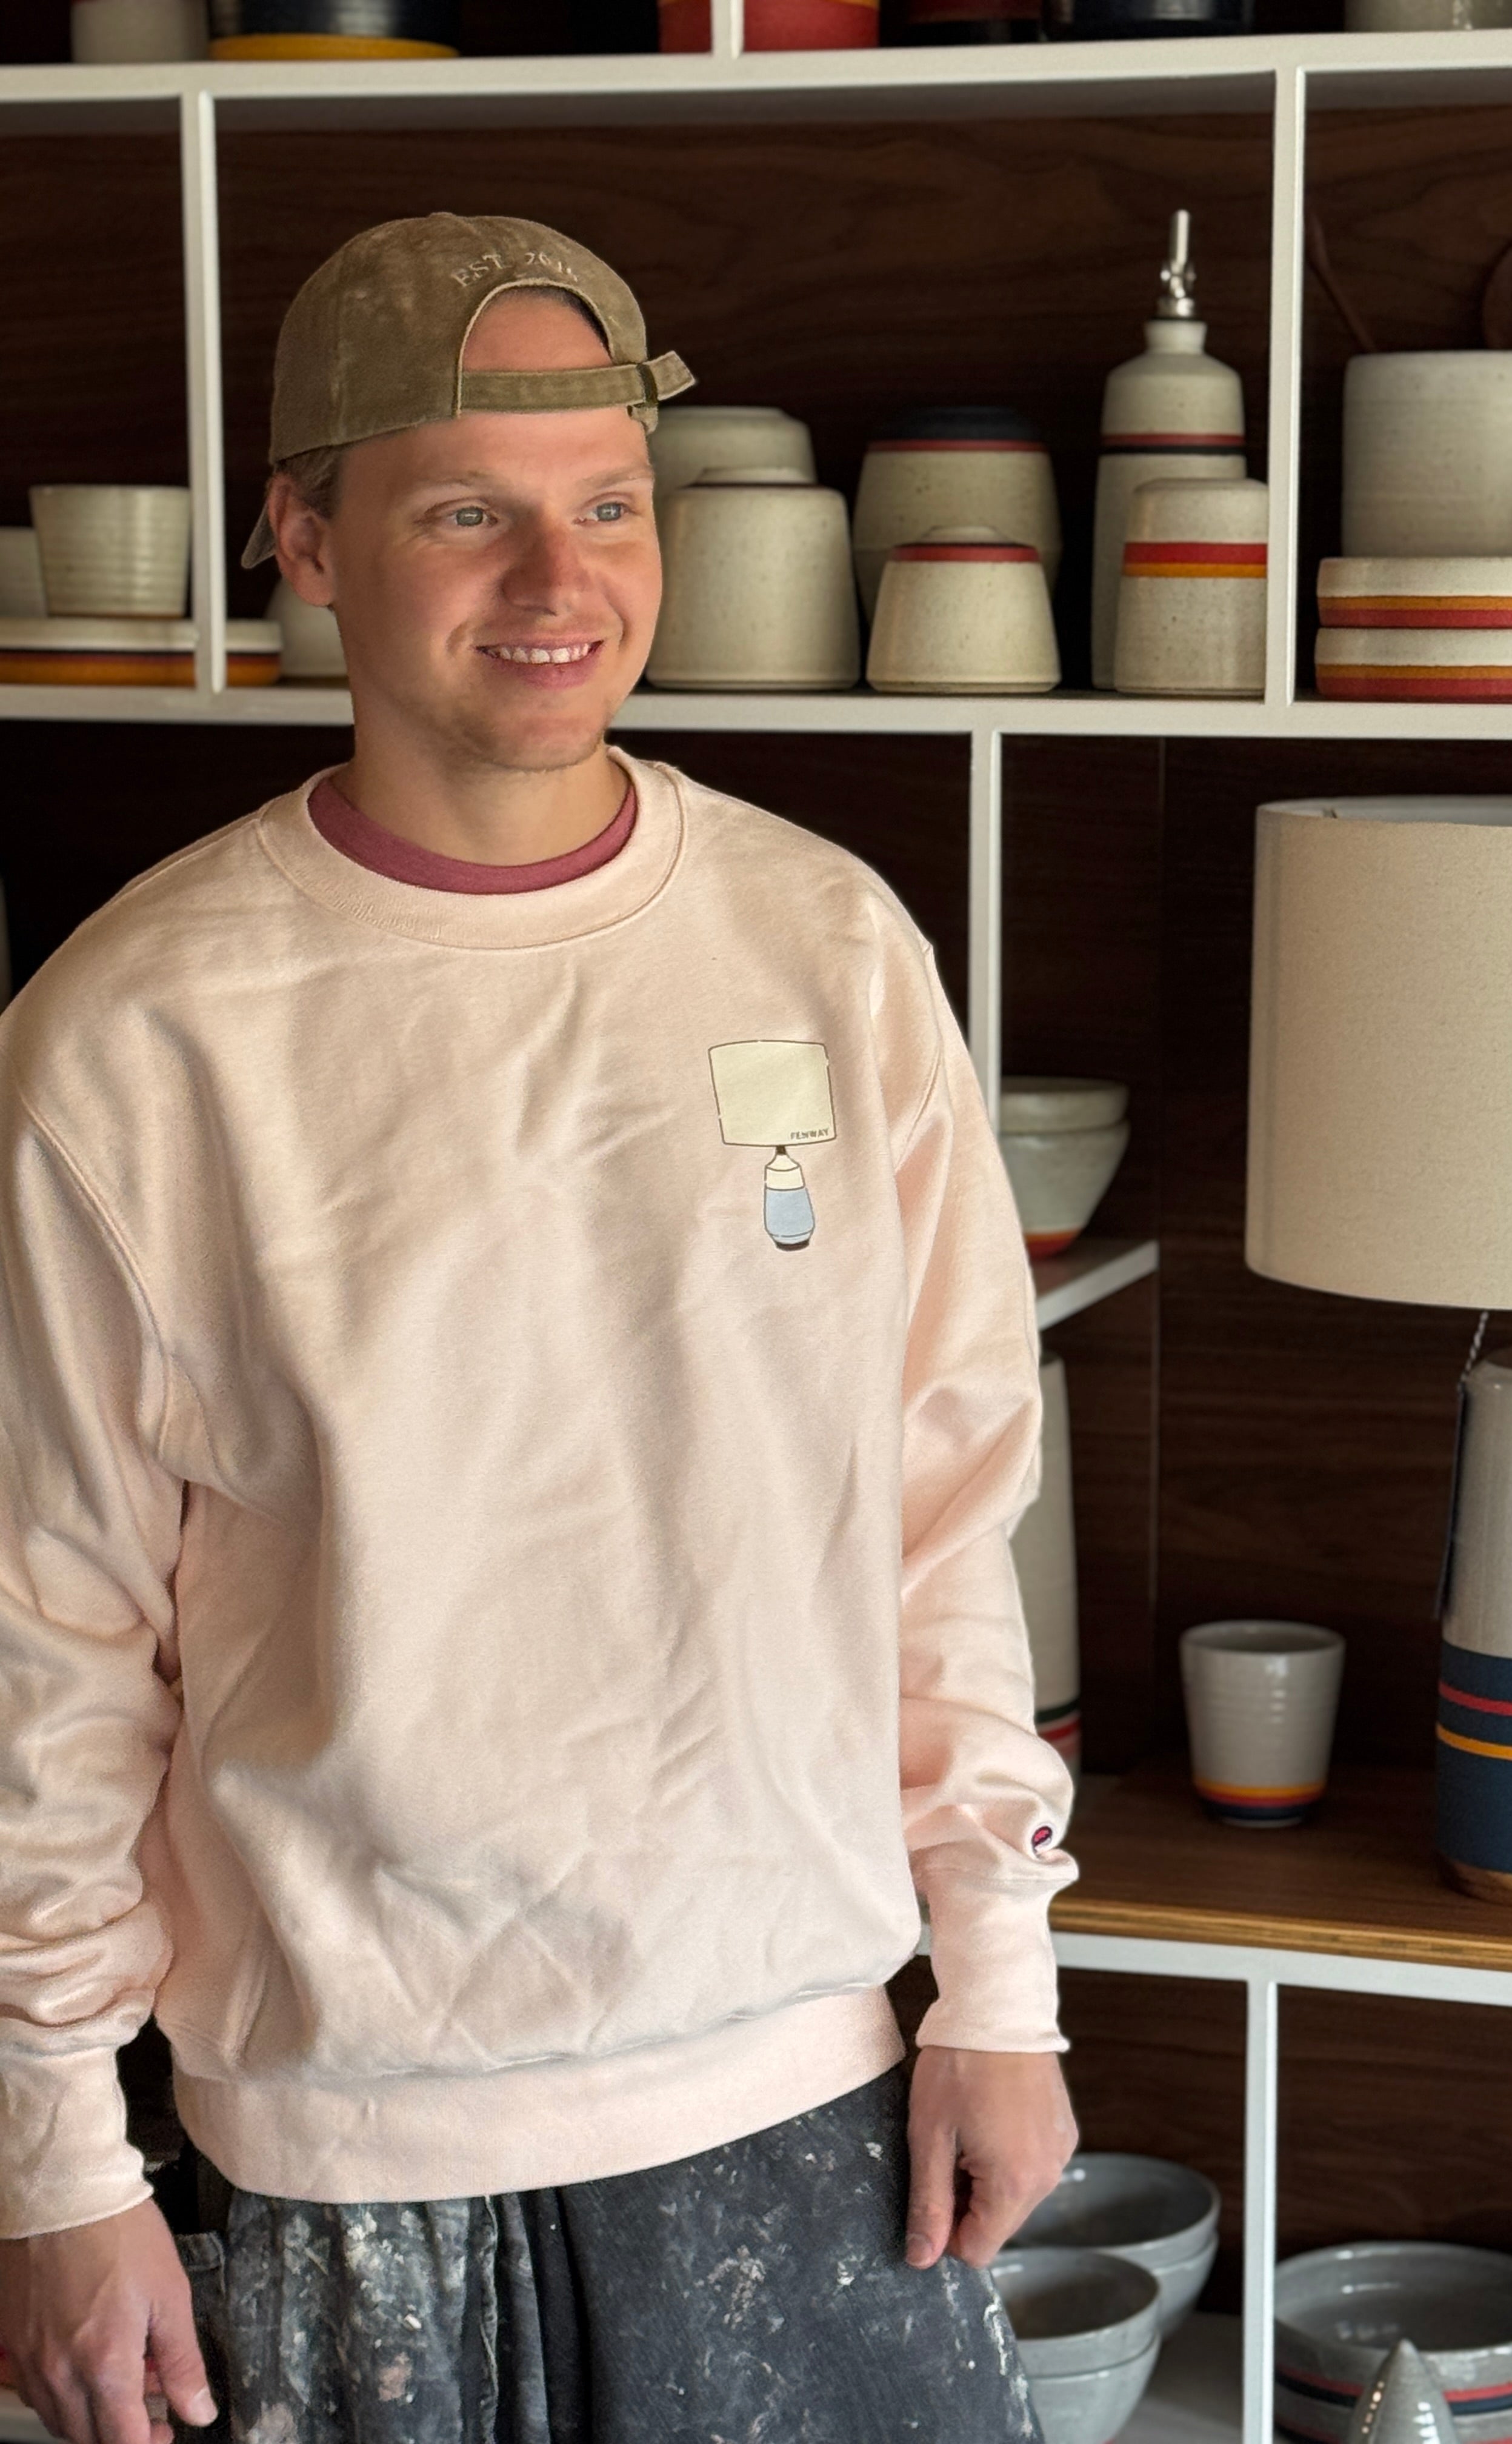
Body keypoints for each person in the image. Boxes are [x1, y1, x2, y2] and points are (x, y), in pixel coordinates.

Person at [0, 212, 1078, 2444]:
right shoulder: (134, 1038)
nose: (557, 580)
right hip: (337, 2158)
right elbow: (44, 1637)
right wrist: (52, 2162)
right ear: (307, 540)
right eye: (466, 513)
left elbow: (940, 1515)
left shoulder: (827, 949)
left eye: (608, 504)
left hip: (818, 2101)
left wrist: (1001, 1986)